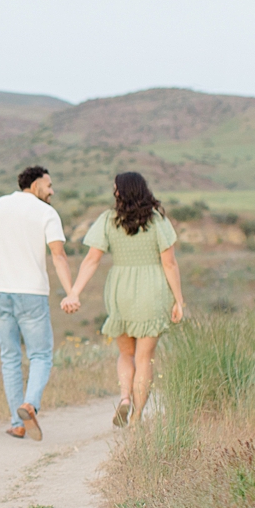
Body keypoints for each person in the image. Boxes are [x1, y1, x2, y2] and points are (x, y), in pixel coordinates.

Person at [61, 172, 186, 427]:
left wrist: (74, 292)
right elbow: (170, 263)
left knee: (125, 354)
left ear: (120, 193)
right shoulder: (157, 220)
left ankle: (125, 398)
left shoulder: (109, 220)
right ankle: (137, 417)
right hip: (152, 290)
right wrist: (179, 300)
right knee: (144, 358)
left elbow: (92, 259)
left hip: (120, 290)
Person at [0, 165, 75, 440]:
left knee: (9, 358)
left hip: (0, 292)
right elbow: (58, 256)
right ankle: (29, 405)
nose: (52, 191)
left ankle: (17, 423)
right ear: (33, 186)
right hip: (31, 293)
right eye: (49, 185)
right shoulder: (46, 213)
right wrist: (71, 292)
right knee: (40, 355)